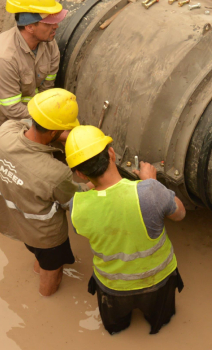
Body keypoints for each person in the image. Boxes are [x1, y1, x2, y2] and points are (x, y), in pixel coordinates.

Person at [64, 126, 186, 335]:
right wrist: (151, 182)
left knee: (115, 328)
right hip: (157, 281)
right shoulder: (149, 192)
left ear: (80, 174)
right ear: (111, 154)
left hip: (112, 287)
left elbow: (90, 222)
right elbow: (180, 214)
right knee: (161, 322)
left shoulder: (77, 206)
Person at [0, 0, 66, 217]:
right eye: (50, 22)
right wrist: (48, 124)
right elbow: (11, 110)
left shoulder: (49, 46)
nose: (56, 26)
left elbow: (47, 89)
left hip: (27, 110)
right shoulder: (3, 58)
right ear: (30, 26)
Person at [0, 89, 82, 297]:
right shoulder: (55, 173)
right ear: (55, 133)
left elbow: (29, 128)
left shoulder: (5, 133)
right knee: (52, 271)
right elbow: (73, 200)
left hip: (19, 222)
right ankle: (46, 297)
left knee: (40, 258)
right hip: (47, 235)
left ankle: (37, 268)